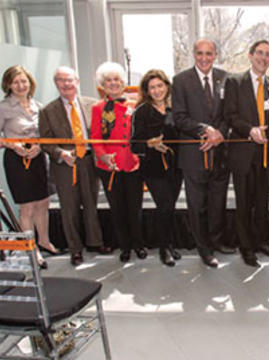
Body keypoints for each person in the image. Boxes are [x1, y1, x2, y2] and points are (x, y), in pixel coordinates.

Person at [38, 66, 112, 266]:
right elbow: (44, 141)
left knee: (91, 204)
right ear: (56, 84)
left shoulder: (92, 104)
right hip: (64, 165)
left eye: (69, 79)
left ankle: (95, 242)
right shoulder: (47, 111)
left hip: (89, 161)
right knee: (69, 209)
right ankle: (75, 249)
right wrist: (60, 153)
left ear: (77, 81)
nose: (66, 84)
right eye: (61, 80)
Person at [223, 40, 269, 267]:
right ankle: (246, 247)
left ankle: (260, 241)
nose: (263, 58)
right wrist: (249, 130)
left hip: (266, 154)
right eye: (259, 53)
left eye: (268, 54)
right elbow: (229, 115)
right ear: (250, 56)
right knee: (244, 204)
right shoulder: (234, 81)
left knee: (262, 202)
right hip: (242, 153)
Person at [172, 39, 232, 268]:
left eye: (209, 53)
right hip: (194, 153)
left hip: (220, 153)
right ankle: (204, 249)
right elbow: (179, 117)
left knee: (218, 202)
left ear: (216, 54)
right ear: (194, 54)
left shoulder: (225, 78)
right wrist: (205, 130)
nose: (204, 58)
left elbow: (229, 114)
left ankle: (217, 241)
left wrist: (219, 135)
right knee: (197, 205)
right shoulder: (180, 81)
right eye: (200, 53)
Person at [0, 65, 56, 268]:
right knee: (28, 206)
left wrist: (40, 146)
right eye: (16, 82)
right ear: (8, 85)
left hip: (39, 159)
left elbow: (45, 134)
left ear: (30, 82)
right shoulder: (4, 107)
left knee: (43, 202)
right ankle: (31, 249)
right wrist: (13, 144)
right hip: (17, 161)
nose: (21, 85)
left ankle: (44, 241)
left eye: (24, 81)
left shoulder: (38, 106)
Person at [90, 61, 146, 263]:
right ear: (102, 85)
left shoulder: (135, 105)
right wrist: (102, 155)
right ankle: (125, 247)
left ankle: (138, 244)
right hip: (109, 166)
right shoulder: (97, 108)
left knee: (135, 207)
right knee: (117, 208)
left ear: (123, 83)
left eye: (116, 80)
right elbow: (95, 136)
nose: (113, 84)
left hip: (132, 164)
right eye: (108, 80)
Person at [131, 69, 183, 266]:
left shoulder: (176, 109)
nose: (157, 90)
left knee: (170, 207)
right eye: (152, 87)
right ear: (147, 90)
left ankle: (170, 244)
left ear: (167, 86)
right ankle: (164, 248)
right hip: (153, 169)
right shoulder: (141, 111)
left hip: (176, 167)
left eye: (160, 85)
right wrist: (150, 143)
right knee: (164, 206)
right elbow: (133, 144)